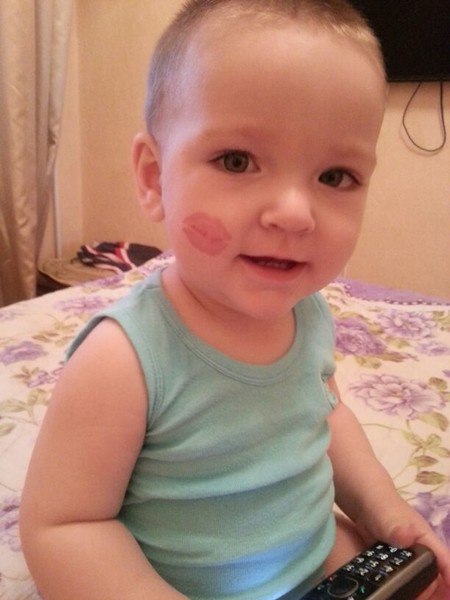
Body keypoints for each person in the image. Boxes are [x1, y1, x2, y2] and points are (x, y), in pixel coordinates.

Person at [19, 1, 450, 599]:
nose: (295, 213)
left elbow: (326, 416)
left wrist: (385, 510)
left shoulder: (309, 313)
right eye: (237, 161)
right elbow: (64, 527)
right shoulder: (123, 358)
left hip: (315, 558)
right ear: (153, 178)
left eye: (334, 176)